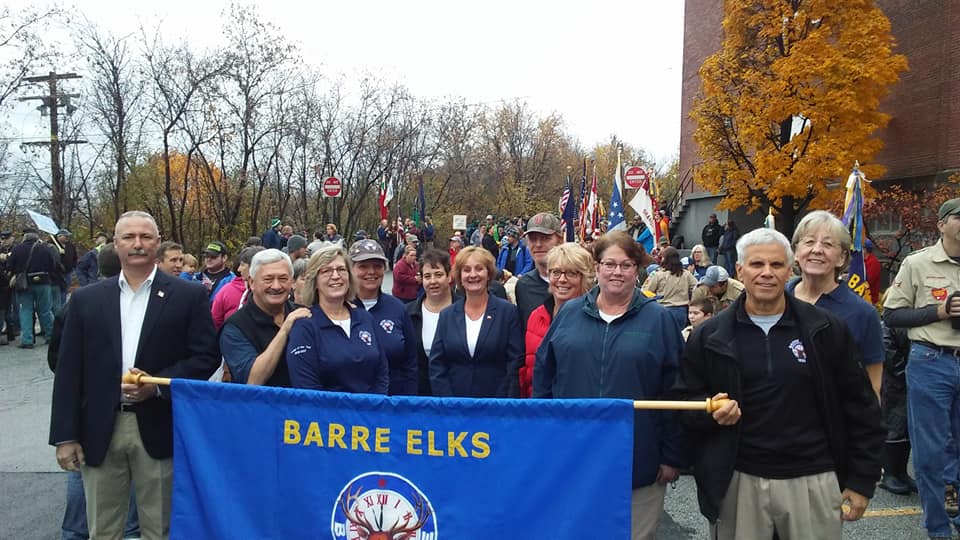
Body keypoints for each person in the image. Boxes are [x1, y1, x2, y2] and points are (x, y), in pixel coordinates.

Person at [675, 227, 883, 540]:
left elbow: (861, 406)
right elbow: (685, 402)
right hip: (739, 479)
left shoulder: (825, 329)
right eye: (757, 265)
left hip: (813, 477)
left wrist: (862, 479)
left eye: (776, 265)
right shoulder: (710, 336)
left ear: (790, 270)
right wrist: (710, 411)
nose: (767, 273)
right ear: (740, 270)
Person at [50, 210, 220, 539]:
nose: (137, 244)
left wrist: (156, 386)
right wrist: (65, 435)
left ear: (157, 242)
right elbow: (69, 370)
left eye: (145, 237)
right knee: (103, 529)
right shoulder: (86, 300)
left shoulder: (188, 296)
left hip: (158, 425)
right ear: (115, 245)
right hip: (99, 427)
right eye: (129, 237)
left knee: (161, 529)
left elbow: (205, 356)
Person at [533, 231, 686, 540]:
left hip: (637, 461)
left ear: (638, 269)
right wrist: (546, 436)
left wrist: (673, 455)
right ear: (597, 267)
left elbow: (677, 390)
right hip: (574, 456)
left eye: (627, 265)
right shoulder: (569, 315)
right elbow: (544, 377)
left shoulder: (659, 320)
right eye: (610, 264)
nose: (617, 272)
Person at [47, 243, 142, 540]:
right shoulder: (82, 304)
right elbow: (63, 366)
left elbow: (57, 364)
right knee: (88, 480)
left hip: (104, 416)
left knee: (89, 481)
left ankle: (76, 532)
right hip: (93, 416)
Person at [883, 198, 960, 539]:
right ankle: (938, 528)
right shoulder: (918, 263)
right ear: (942, 224)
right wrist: (938, 312)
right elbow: (893, 315)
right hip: (931, 362)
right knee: (930, 453)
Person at [787, 210, 884, 398]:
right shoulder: (777, 299)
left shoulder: (862, 313)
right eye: (809, 242)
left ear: (842, 257)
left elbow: (873, 385)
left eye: (828, 244)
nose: (817, 250)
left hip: (835, 420)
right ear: (796, 252)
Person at [285, 246, 388, 394]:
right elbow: (306, 387)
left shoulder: (364, 318)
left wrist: (373, 408)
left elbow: (382, 372)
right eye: (326, 271)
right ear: (314, 281)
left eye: (341, 269)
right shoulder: (305, 327)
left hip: (371, 413)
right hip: (327, 415)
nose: (335, 276)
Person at [429, 246, 522, 397]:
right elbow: (437, 364)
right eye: (466, 270)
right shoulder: (447, 316)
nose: (473, 275)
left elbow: (514, 364)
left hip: (496, 407)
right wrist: (448, 402)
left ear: (488, 273)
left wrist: (501, 404)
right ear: (459, 276)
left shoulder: (508, 313)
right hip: (455, 408)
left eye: (479, 269)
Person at [221, 249, 312, 386]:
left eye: (283, 279)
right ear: (252, 283)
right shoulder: (235, 327)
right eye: (268, 279)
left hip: (303, 403)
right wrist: (284, 331)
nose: (276, 286)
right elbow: (253, 380)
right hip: (260, 405)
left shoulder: (303, 314)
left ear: (291, 282)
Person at [519, 243, 594, 398]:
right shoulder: (536, 316)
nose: (562, 279)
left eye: (571, 273)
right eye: (556, 272)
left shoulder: (595, 318)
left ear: (584, 278)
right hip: (539, 407)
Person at [348, 239, 418, 395]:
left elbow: (411, 362)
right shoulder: (341, 308)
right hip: (351, 406)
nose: (371, 272)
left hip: (394, 404)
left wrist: (408, 403)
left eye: (377, 266)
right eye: (363, 266)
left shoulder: (398, 308)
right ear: (350, 269)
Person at [877, 306, 916, 495]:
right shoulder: (891, 318)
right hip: (894, 380)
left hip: (913, 378)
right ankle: (889, 473)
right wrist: (902, 371)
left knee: (907, 426)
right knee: (894, 425)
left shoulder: (917, 315)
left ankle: (901, 472)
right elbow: (887, 347)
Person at [407, 249, 454, 396]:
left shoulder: (465, 309)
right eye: (427, 276)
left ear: (449, 276)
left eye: (438, 274)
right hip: (419, 397)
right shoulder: (408, 313)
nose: (433, 281)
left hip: (456, 396)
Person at [515, 212, 564, 338]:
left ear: (560, 240)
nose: (538, 244)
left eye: (545, 238)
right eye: (532, 239)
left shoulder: (577, 282)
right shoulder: (523, 286)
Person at [8, 228, 58, 349]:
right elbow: (53, 265)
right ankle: (51, 337)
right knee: (46, 310)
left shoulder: (17, 249)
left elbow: (10, 266)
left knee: (25, 310)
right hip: (44, 282)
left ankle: (27, 340)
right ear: (36, 237)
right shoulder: (45, 248)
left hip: (24, 284)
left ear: (24, 237)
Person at [642, 246, 698, 331]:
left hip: (663, 310)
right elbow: (697, 287)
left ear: (664, 259)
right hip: (682, 311)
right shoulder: (686, 274)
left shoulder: (658, 275)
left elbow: (646, 292)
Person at [212, 246, 264, 329]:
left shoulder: (271, 296)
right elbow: (215, 321)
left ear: (254, 267)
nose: (239, 269)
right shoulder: (227, 290)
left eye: (243, 265)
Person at [56, 229, 78, 305]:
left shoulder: (70, 246)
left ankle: (63, 306)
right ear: (59, 236)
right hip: (57, 274)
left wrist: (73, 267)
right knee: (58, 291)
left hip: (68, 272)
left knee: (65, 290)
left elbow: (75, 257)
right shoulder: (54, 245)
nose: (67, 238)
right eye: (65, 236)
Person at [864, 239, 882, 304]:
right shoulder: (863, 261)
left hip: (870, 299)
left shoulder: (873, 262)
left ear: (865, 249)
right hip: (862, 298)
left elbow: (869, 280)